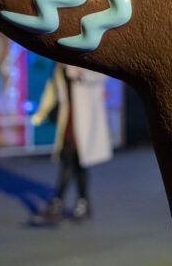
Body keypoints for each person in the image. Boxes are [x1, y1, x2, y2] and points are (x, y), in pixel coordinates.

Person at [30, 63, 112, 225]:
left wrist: (81, 72)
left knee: (77, 162)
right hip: (68, 123)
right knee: (72, 162)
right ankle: (81, 203)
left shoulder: (84, 61)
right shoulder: (59, 69)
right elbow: (51, 89)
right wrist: (42, 111)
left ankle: (60, 204)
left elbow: (102, 75)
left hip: (84, 123)